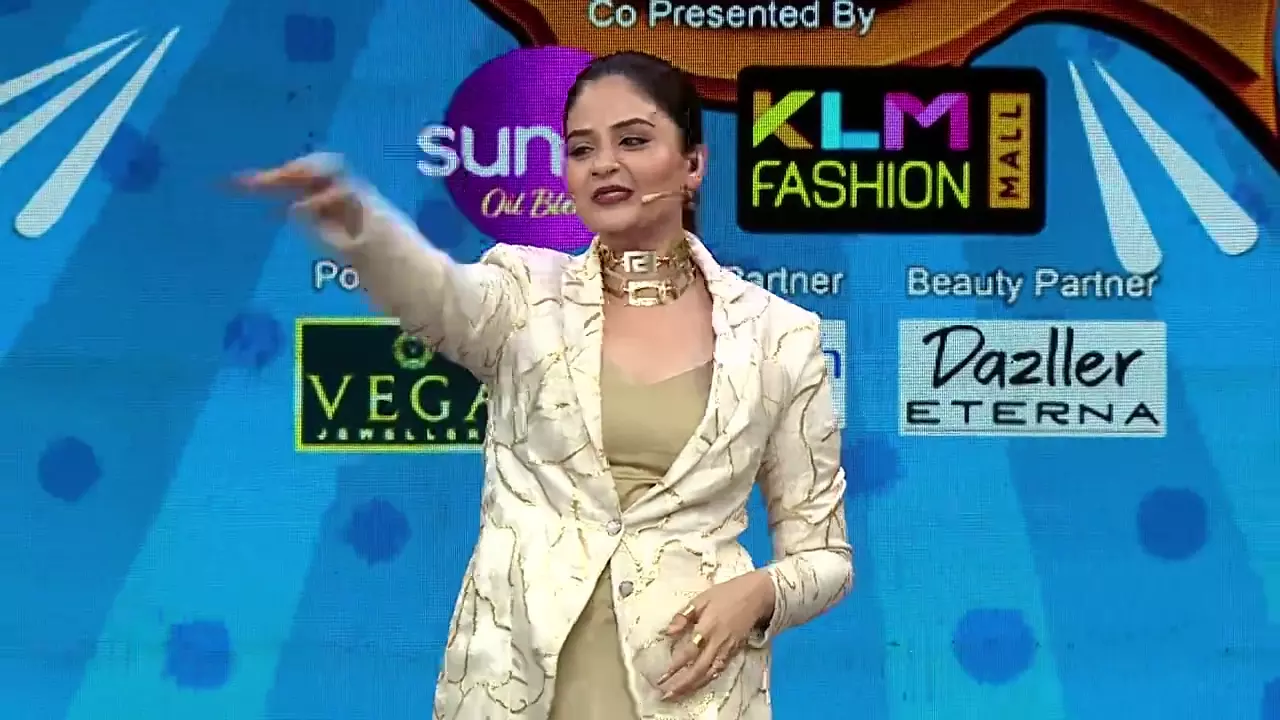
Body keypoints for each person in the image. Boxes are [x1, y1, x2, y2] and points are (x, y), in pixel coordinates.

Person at [242, 51, 852, 720]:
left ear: (693, 164)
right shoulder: (526, 293)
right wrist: (358, 223)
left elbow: (825, 557)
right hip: (513, 688)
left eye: (633, 140)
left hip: (692, 694)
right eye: (582, 149)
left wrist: (760, 594)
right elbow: (434, 294)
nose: (604, 164)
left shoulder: (780, 335)